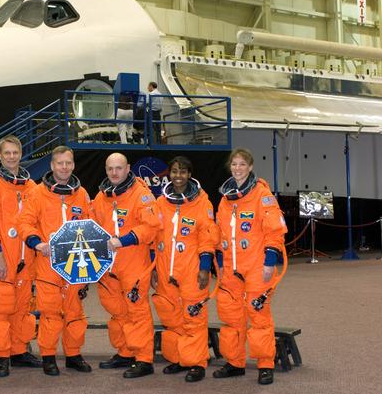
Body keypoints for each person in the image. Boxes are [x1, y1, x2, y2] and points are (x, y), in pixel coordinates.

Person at [213, 148, 287, 385]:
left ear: (250, 167)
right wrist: (220, 264)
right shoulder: (225, 199)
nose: (238, 169)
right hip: (231, 267)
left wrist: (269, 262)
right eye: (234, 164)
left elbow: (274, 231)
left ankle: (265, 364)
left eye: (242, 164)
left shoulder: (262, 195)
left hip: (256, 265)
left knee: (258, 316)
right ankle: (235, 362)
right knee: (231, 317)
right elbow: (219, 233)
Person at [18, 145, 93, 376]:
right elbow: (25, 223)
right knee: (50, 313)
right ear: (52, 165)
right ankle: (48, 356)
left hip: (75, 265)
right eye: (60, 163)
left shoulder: (81, 194)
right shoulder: (37, 193)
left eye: (68, 163)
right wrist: (37, 244)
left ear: (73, 165)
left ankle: (73, 355)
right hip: (47, 264)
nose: (64, 167)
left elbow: (90, 226)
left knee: (74, 313)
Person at [92, 153, 160, 378]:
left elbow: (151, 227)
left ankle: (144, 359)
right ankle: (125, 352)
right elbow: (91, 225)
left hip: (133, 263)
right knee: (117, 311)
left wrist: (123, 240)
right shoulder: (101, 197)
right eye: (110, 168)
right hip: (108, 266)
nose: (114, 173)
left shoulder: (141, 195)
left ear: (128, 168)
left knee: (137, 311)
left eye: (119, 168)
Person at [0, 135, 42, 377]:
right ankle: (2, 356)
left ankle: (18, 351)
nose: (12, 157)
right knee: (1, 312)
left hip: (26, 261)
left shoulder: (31, 187)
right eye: (7, 153)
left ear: (21, 154)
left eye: (15, 152)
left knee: (22, 310)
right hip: (2, 259)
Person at [152, 156, 219, 382]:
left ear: (190, 174)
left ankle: (196, 362)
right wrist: (153, 268)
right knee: (171, 317)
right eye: (174, 171)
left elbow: (207, 238)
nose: (178, 176)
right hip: (165, 269)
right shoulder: (161, 202)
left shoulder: (202, 203)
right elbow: (154, 237)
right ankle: (179, 358)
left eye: (182, 172)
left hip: (191, 269)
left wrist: (205, 268)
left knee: (194, 317)